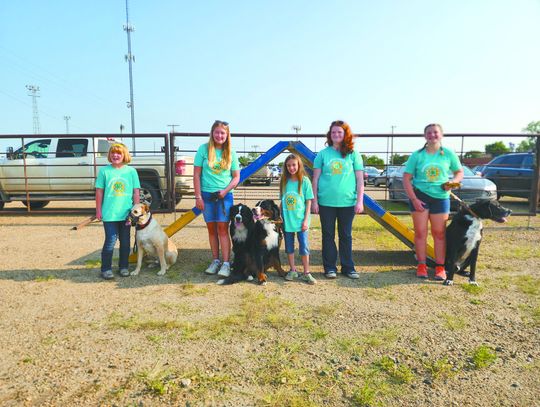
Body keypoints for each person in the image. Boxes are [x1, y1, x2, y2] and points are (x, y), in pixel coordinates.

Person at [402, 123, 464, 280]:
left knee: (439, 233)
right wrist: (414, 199)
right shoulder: (417, 155)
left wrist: (453, 182)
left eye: (435, 132)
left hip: (441, 198)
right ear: (425, 136)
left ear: (441, 135)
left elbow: (459, 172)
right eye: (428, 133)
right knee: (421, 233)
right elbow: (406, 178)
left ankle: (440, 267)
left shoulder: (448, 154)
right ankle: (421, 265)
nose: (432, 135)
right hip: (420, 197)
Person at [312, 120, 364, 279]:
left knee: (345, 235)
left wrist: (359, 201)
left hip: (347, 202)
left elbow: (360, 180)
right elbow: (315, 179)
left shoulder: (354, 154)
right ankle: (330, 268)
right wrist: (314, 201)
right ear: (330, 134)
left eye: (339, 132)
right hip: (326, 202)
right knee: (328, 235)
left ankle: (348, 267)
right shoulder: (322, 154)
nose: (336, 135)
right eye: (333, 132)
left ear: (345, 134)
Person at [194, 120, 240, 278]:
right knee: (211, 228)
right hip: (207, 195)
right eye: (217, 132)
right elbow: (196, 174)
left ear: (227, 135)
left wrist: (225, 190)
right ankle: (215, 260)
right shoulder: (203, 150)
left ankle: (226, 263)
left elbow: (236, 177)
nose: (219, 135)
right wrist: (198, 196)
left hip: (224, 196)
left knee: (222, 228)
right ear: (212, 133)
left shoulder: (231, 153)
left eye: (223, 133)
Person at [95, 142, 140, 280]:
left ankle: (124, 267)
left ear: (124, 155)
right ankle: (106, 269)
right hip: (109, 214)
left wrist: (136, 210)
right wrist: (98, 210)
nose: (115, 155)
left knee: (125, 241)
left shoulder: (131, 171)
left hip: (126, 214)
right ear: (109, 155)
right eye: (113, 153)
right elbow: (99, 191)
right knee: (110, 240)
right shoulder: (104, 171)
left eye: (119, 153)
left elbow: (136, 192)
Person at [280, 154, 316, 284]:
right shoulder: (284, 181)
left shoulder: (305, 181)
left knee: (304, 246)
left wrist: (306, 220)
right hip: (287, 220)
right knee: (289, 246)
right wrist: (280, 218)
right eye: (288, 165)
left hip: (301, 220)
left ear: (299, 165)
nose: (291, 168)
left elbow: (308, 202)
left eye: (294, 165)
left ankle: (306, 272)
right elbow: (282, 201)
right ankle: (293, 270)